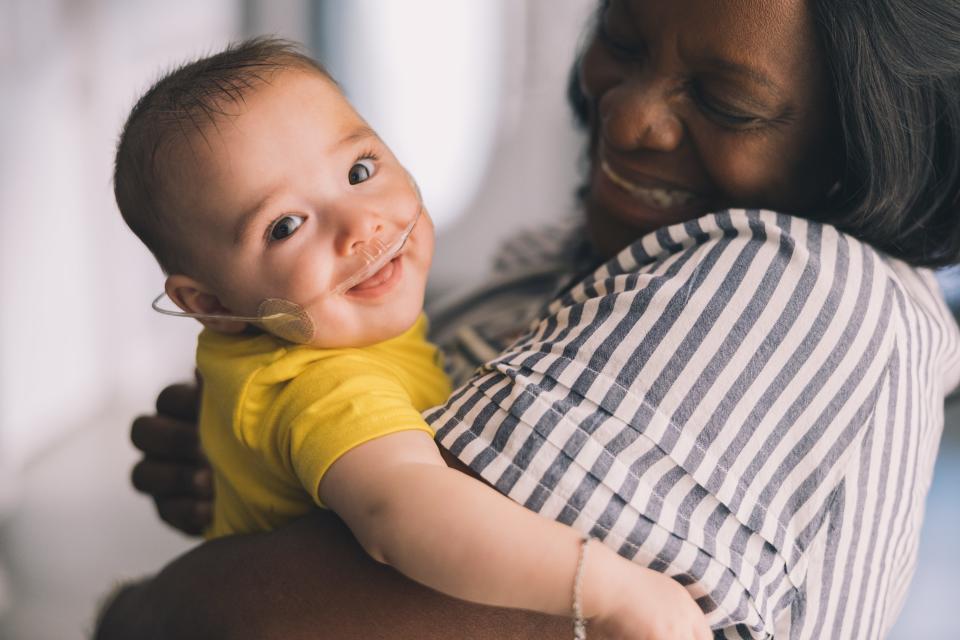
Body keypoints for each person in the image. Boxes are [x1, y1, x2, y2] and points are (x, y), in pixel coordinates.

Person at [98, 0, 960, 638]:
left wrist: (141, 610)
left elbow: (406, 573)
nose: (627, 115)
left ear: (865, 135)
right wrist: (255, 472)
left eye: (726, 102)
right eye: (621, 43)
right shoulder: (544, 266)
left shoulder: (802, 282)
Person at [108, 38, 710, 640]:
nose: (358, 225)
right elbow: (405, 512)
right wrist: (611, 590)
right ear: (211, 303)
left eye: (359, 171)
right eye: (286, 226)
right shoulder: (325, 385)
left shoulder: (295, 332)